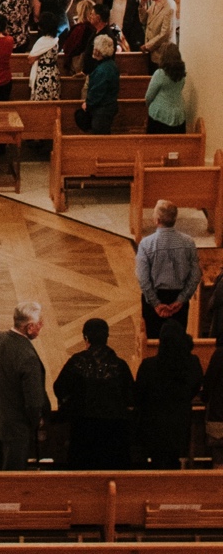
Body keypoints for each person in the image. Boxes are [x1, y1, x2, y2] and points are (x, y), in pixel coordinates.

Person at [0, 301, 50, 471]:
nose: (41, 327)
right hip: (17, 426)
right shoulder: (28, 358)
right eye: (39, 324)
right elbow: (33, 402)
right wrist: (37, 421)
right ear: (29, 327)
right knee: (12, 473)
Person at [53, 318, 134, 469]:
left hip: (83, 432)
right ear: (106, 337)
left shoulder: (76, 362)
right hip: (114, 434)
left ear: (86, 338)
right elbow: (130, 396)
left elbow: (59, 387)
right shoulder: (120, 365)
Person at [135, 319, 203, 468]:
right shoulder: (192, 363)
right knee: (174, 458)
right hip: (180, 422)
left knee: (157, 460)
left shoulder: (149, 365)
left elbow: (139, 394)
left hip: (153, 424)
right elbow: (196, 386)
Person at [136, 198, 202, 339]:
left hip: (154, 298)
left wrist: (156, 303)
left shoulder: (146, 244)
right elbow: (196, 274)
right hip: (178, 298)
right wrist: (181, 300)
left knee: (153, 344)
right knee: (176, 342)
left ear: (157, 219)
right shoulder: (188, 242)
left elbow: (143, 278)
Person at [73, 35, 119, 132]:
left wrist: (88, 104)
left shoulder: (102, 70)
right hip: (108, 107)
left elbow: (97, 91)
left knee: (99, 137)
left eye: (94, 48)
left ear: (98, 51)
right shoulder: (111, 65)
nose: (93, 50)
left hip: (102, 110)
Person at [145, 42, 187, 133]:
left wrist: (149, 106)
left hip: (160, 116)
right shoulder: (182, 74)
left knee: (157, 145)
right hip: (179, 115)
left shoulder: (160, 74)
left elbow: (149, 96)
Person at [140, 0, 177, 69]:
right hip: (152, 52)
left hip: (161, 54)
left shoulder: (169, 7)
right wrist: (142, 4)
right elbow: (144, 20)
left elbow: (165, 33)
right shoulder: (154, 1)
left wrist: (148, 46)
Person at [27, 11, 61, 101]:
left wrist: (37, 57)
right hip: (54, 71)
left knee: (41, 101)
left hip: (43, 74)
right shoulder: (55, 40)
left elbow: (30, 59)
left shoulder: (42, 41)